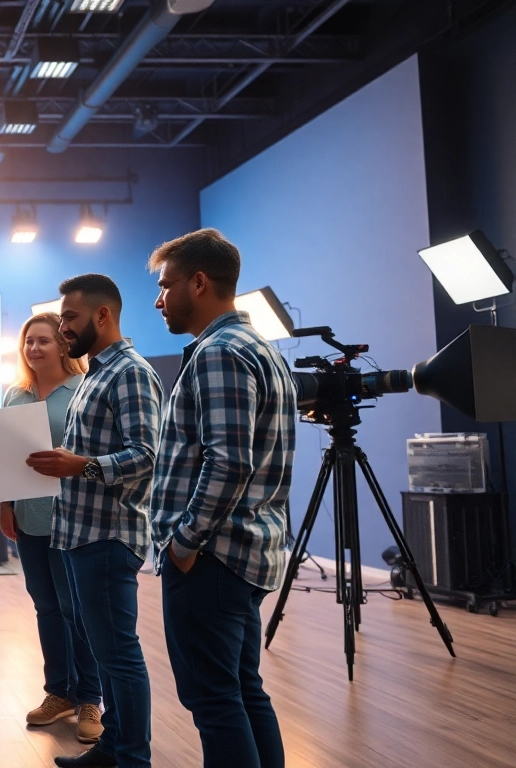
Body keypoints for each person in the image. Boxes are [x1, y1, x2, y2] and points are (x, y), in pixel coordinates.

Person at [149, 229, 294, 768]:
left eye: (166, 286)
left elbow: (230, 461)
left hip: (212, 557)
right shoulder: (260, 349)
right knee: (241, 689)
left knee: (213, 699)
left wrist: (184, 541)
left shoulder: (220, 353)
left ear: (199, 282)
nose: (159, 298)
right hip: (242, 552)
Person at [28, 274, 163, 768]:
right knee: (104, 653)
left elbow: (148, 455)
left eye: (69, 318)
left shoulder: (130, 372)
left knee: (119, 655)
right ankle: (112, 747)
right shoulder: (94, 374)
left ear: (102, 316)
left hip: (108, 536)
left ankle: (131, 757)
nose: (63, 327)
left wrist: (79, 464)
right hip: (79, 535)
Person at [0, 313, 104, 743]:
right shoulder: (14, 395)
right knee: (46, 607)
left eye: (43, 341)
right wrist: (5, 506)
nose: (35, 349)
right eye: (29, 342)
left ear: (63, 345)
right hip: (29, 518)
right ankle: (58, 692)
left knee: (74, 609)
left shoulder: (82, 390)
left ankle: (89, 700)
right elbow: (4, 456)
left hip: (72, 519)